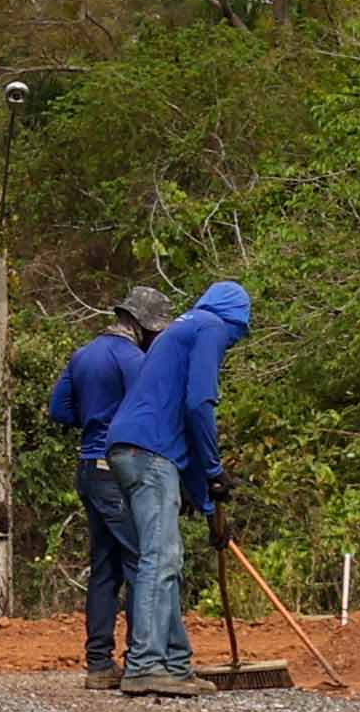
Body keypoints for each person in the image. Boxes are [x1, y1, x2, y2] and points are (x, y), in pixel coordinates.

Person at [97, 275, 254, 688]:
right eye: (239, 336)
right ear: (235, 321)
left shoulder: (178, 330)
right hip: (148, 453)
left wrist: (207, 504)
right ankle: (147, 665)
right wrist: (216, 471)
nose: (232, 345)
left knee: (166, 556)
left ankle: (174, 663)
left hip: (135, 450)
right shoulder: (212, 327)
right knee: (159, 557)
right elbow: (199, 404)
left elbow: (178, 421)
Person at [46, 300, 155, 686]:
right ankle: (142, 658)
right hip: (117, 469)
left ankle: (99, 663)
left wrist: (93, 417)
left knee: (104, 567)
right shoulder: (132, 360)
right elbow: (148, 412)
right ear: (141, 326)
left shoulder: (82, 355)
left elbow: (59, 410)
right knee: (141, 560)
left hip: (88, 469)